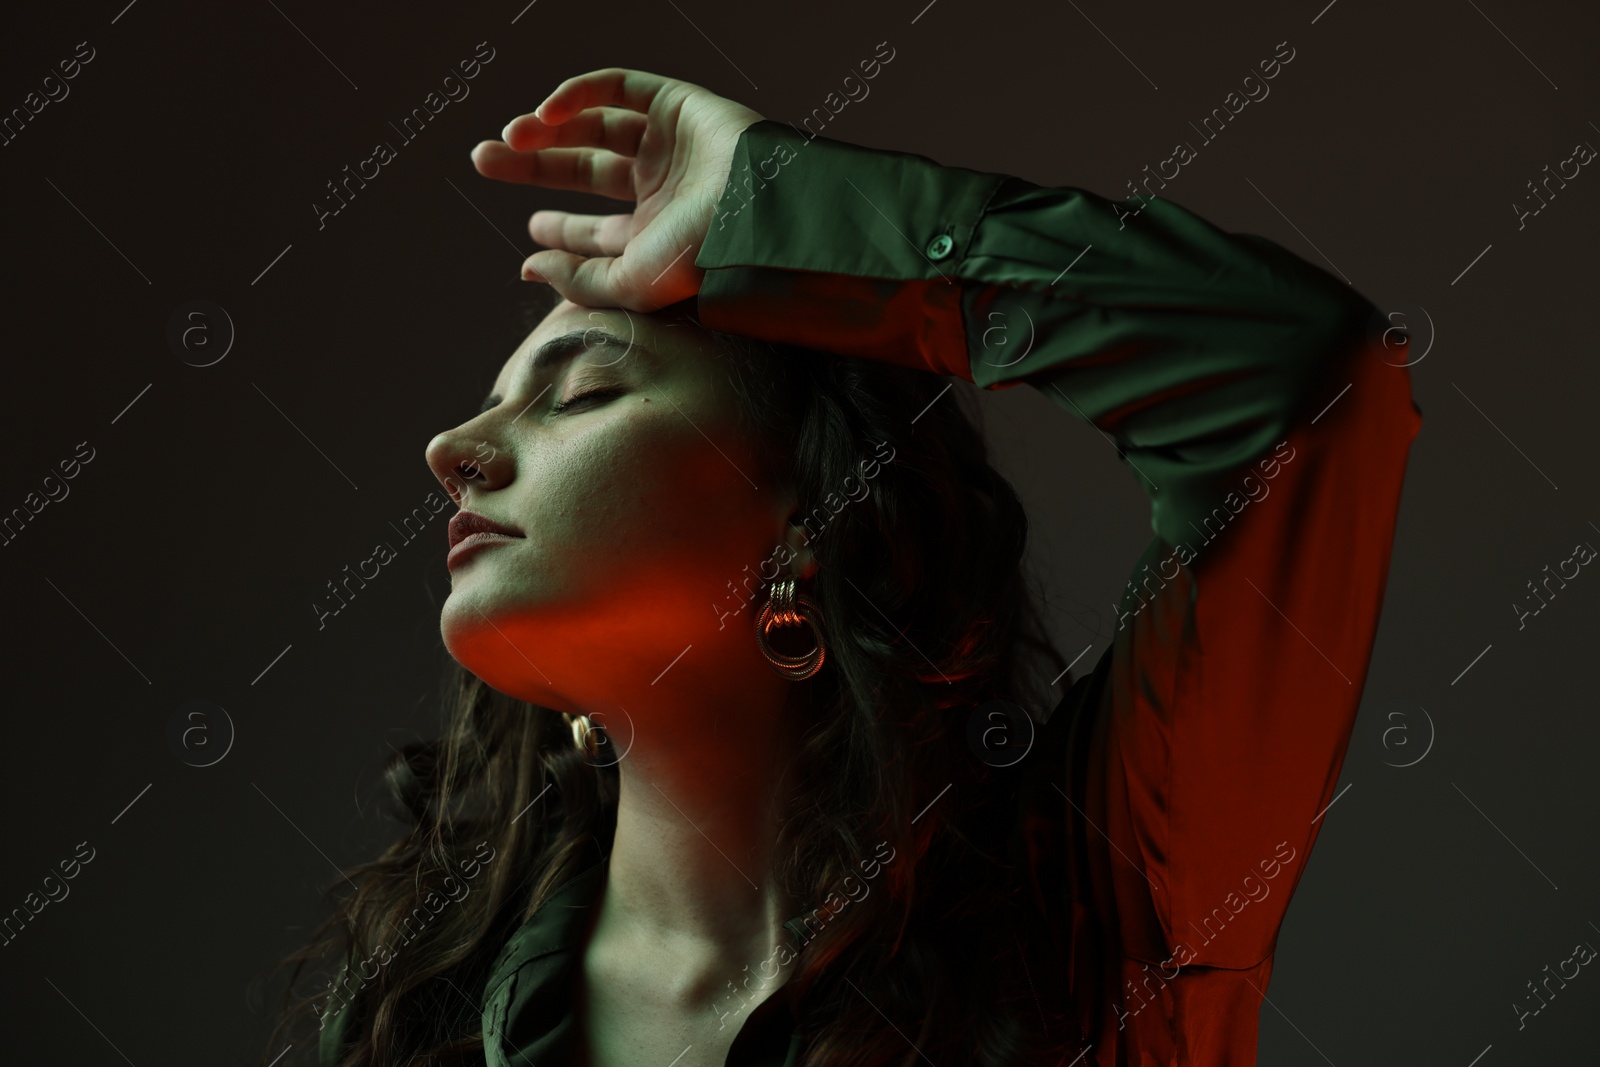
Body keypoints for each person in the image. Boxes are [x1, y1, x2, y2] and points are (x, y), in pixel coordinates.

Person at [269, 67, 1422, 1067]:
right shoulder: (424, 1016)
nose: (454, 453)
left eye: (579, 392)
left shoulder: (1095, 910)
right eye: (491, 408)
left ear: (808, 514)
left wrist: (775, 210)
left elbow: (1302, 384)